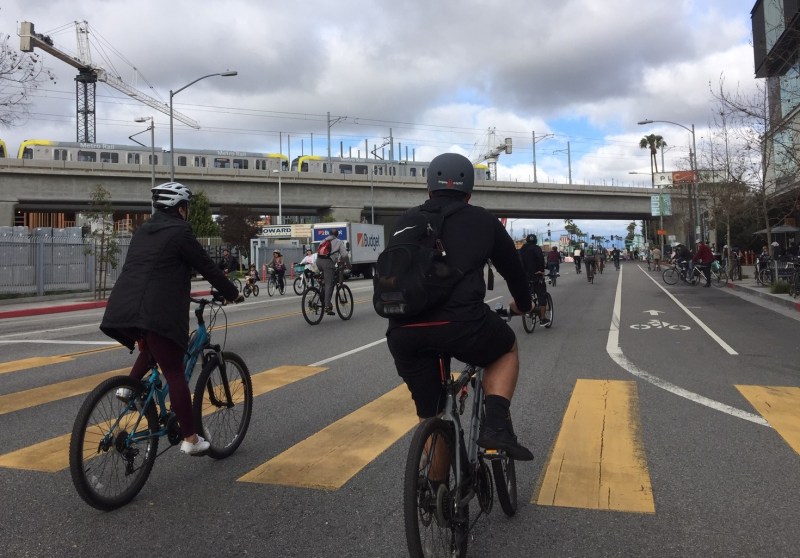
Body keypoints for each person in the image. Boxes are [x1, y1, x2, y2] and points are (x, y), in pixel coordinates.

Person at [383, 153, 534, 461]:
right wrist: (524, 304)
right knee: (506, 348)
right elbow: (513, 270)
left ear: (428, 189)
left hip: (403, 331)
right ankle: (495, 427)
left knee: (433, 416)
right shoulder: (483, 220)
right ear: (469, 192)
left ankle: (438, 498)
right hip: (462, 325)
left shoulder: (405, 220)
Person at [100, 182, 242, 456]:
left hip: (124, 308)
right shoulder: (180, 232)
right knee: (174, 370)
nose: (187, 212)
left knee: (154, 346)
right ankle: (190, 438)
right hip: (157, 309)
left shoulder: (143, 231)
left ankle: (129, 389)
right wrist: (232, 292)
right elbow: (207, 266)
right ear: (180, 208)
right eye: (186, 207)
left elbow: (149, 268)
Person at [317, 228, 348, 315]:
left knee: (325, 282)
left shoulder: (324, 240)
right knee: (329, 284)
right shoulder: (339, 241)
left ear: (329, 234)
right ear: (337, 234)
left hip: (318, 262)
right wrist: (348, 264)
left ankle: (322, 296)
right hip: (327, 263)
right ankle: (327, 306)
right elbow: (345, 255)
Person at [520, 234, 549, 325]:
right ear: (535, 241)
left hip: (524, 277)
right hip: (536, 276)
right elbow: (540, 259)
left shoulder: (522, 249)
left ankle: (528, 311)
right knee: (541, 296)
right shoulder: (536, 248)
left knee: (528, 295)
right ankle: (543, 318)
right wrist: (541, 271)